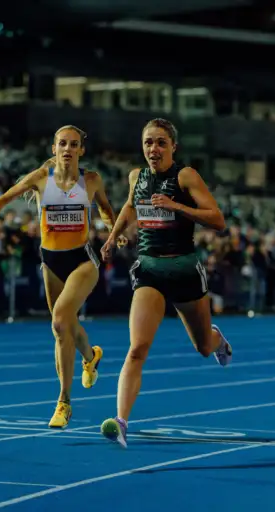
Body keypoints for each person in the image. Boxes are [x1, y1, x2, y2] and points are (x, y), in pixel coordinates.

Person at [0, 125, 125, 429]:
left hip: (82, 261)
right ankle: (91, 355)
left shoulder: (92, 180)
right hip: (51, 262)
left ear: (81, 150)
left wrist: (114, 233)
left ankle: (64, 402)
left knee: (60, 320)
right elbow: (0, 200)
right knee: (64, 328)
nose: (68, 149)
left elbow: (108, 211)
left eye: (74, 144)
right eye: (63, 144)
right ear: (54, 148)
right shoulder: (40, 179)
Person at [99, 118, 233, 448]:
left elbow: (217, 220)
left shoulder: (185, 176)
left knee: (202, 347)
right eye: (148, 142)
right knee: (137, 348)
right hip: (149, 271)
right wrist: (113, 236)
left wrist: (176, 206)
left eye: (160, 142)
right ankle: (121, 421)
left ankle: (218, 341)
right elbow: (131, 206)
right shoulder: (137, 176)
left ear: (173, 146)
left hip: (185, 270)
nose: (153, 149)